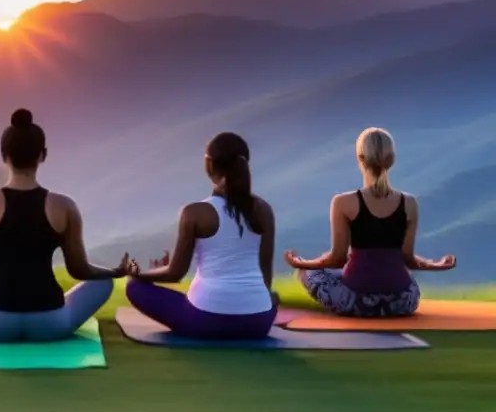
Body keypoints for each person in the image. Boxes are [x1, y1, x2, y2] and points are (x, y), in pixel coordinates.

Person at [0, 108, 131, 341]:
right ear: (43, 155)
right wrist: (116, 271)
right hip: (50, 322)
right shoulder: (64, 206)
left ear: (3, 155)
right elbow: (79, 269)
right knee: (104, 282)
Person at [284, 127, 456, 317]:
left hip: (356, 301)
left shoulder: (343, 202)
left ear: (360, 158)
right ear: (391, 160)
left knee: (309, 272)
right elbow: (407, 259)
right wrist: (436, 264)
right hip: (402, 302)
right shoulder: (409, 203)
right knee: (403, 272)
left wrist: (303, 263)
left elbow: (337, 259)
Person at [125, 132, 278, 340]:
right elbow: (265, 269)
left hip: (204, 321)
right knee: (273, 298)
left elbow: (174, 273)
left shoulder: (195, 212)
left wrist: (140, 274)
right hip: (257, 323)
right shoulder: (264, 210)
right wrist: (255, 303)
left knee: (134, 287)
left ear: (209, 164)